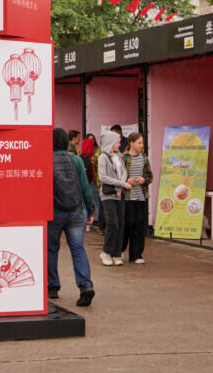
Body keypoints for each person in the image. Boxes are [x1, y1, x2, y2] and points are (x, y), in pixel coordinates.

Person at [47, 128, 95, 307]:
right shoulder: (75, 159)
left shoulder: (46, 159)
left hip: (53, 212)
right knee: (78, 249)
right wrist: (90, 211)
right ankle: (85, 286)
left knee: (51, 248)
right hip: (76, 212)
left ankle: (53, 286)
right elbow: (85, 188)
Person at [97, 130, 130, 267]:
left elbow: (124, 172)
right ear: (111, 142)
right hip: (107, 194)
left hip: (119, 193)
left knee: (121, 224)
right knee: (112, 223)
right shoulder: (102, 157)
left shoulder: (119, 156)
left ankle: (116, 254)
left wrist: (120, 186)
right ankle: (106, 252)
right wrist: (122, 184)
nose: (119, 144)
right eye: (117, 142)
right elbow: (102, 177)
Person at [121, 133, 153, 264]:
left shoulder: (144, 158)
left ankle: (136, 255)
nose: (141, 145)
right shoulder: (123, 158)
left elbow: (150, 176)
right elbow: (117, 176)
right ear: (131, 143)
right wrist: (126, 180)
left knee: (139, 227)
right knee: (127, 225)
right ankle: (120, 250)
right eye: (139, 142)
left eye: (142, 142)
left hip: (141, 197)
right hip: (127, 197)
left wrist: (143, 179)